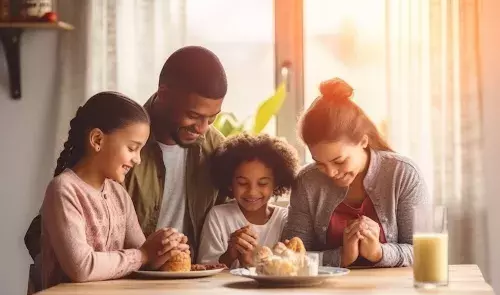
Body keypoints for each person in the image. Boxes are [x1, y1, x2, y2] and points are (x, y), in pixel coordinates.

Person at [25, 45, 227, 261]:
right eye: (193, 115)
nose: (203, 128)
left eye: (212, 118)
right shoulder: (114, 146)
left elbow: (234, 215)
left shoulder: (216, 150)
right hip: (117, 286)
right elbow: (40, 237)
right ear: (164, 94)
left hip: (191, 283)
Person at [40, 92, 188, 290]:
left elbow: (143, 258)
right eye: (132, 148)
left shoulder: (119, 194)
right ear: (97, 140)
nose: (138, 159)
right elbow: (81, 267)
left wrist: (165, 248)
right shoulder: (64, 190)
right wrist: (144, 254)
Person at [282, 78, 430, 268]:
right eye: (319, 163)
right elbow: (293, 257)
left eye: (339, 161)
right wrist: (341, 257)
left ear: (363, 141)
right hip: (323, 294)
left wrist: (379, 252)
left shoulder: (404, 174)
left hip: (394, 291)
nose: (331, 172)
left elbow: (424, 251)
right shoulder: (306, 182)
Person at [197, 133, 299, 268]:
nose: (252, 192)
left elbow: (291, 269)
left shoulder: (285, 219)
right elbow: (203, 271)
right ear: (229, 182)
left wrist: (253, 264)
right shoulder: (218, 216)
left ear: (276, 184)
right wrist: (229, 255)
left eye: (262, 183)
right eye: (242, 183)